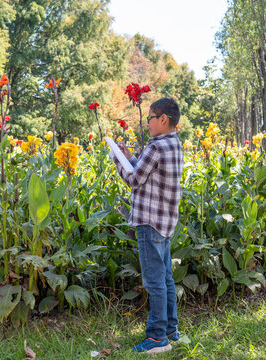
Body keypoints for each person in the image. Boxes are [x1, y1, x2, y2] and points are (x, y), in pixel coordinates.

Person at [109, 97, 183, 354]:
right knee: (166, 278)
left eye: (150, 118)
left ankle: (156, 339)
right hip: (165, 221)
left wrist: (118, 158)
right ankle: (171, 331)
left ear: (163, 119)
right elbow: (148, 169)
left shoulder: (155, 147)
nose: (147, 123)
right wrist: (131, 155)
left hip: (149, 221)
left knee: (154, 282)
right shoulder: (173, 143)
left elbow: (134, 179)